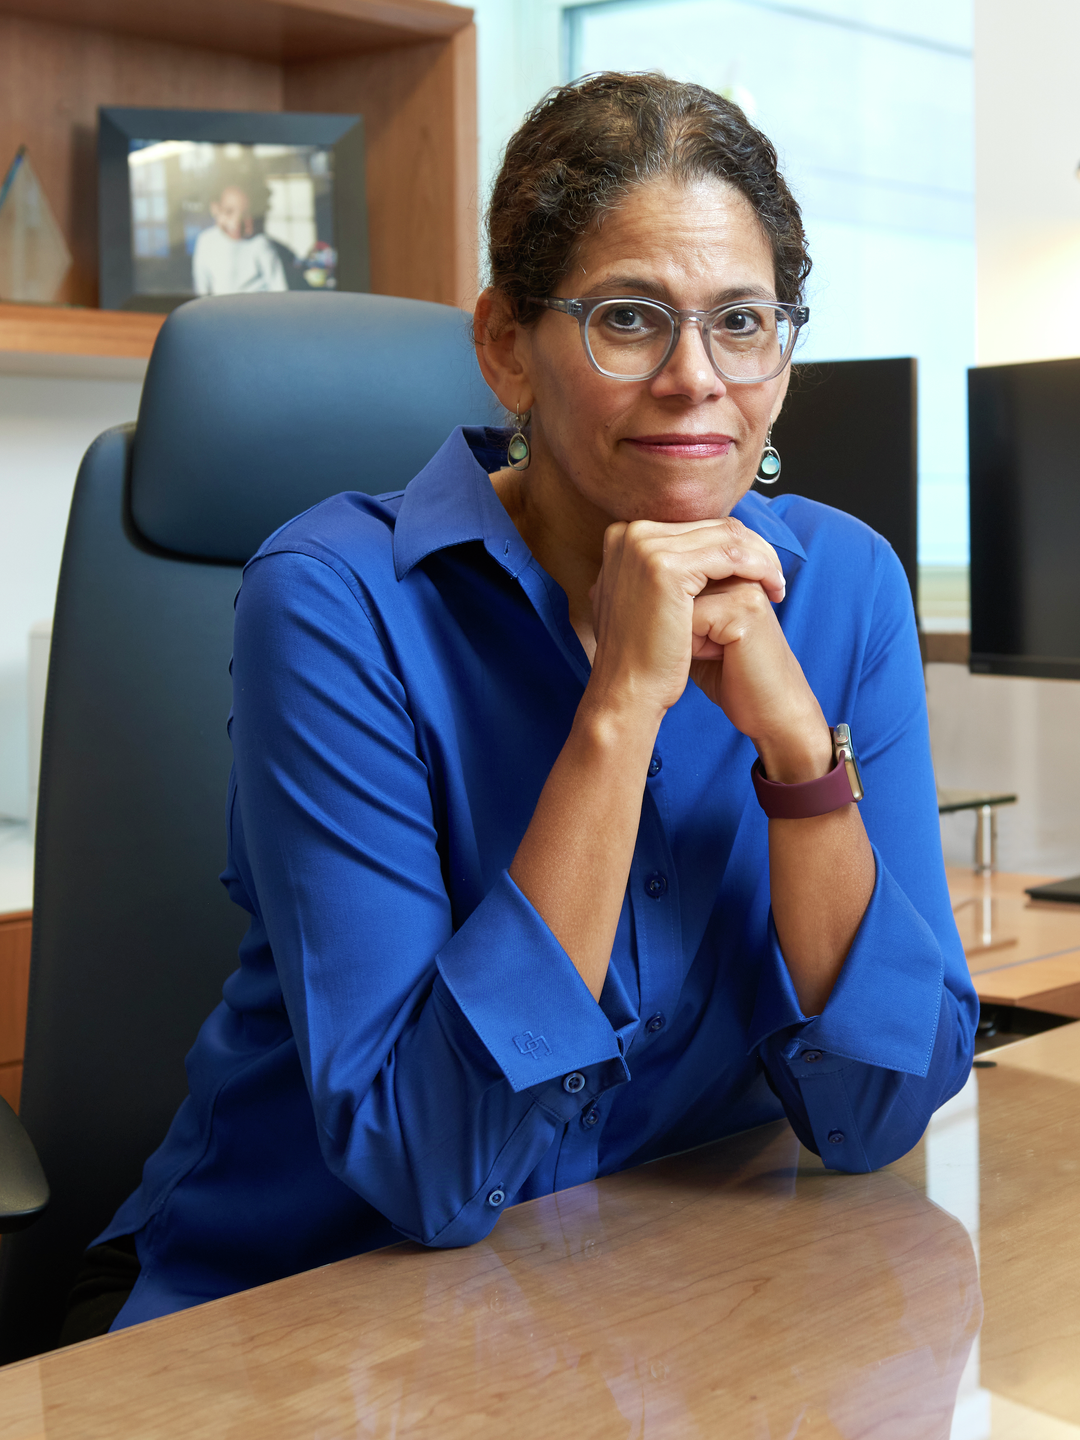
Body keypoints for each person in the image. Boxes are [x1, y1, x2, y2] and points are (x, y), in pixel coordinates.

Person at [74, 72, 976, 1337]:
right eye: (627, 319)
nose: (694, 380)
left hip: (655, 1306)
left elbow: (881, 1113)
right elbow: (428, 1172)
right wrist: (619, 715)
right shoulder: (335, 598)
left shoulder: (845, 591)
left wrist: (794, 757)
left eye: (742, 321)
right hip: (305, 1308)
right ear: (506, 347)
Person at [191, 183, 288, 296]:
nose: (236, 222)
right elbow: (201, 290)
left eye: (245, 214)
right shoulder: (206, 241)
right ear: (215, 209)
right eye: (229, 212)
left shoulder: (260, 243)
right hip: (219, 311)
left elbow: (279, 289)